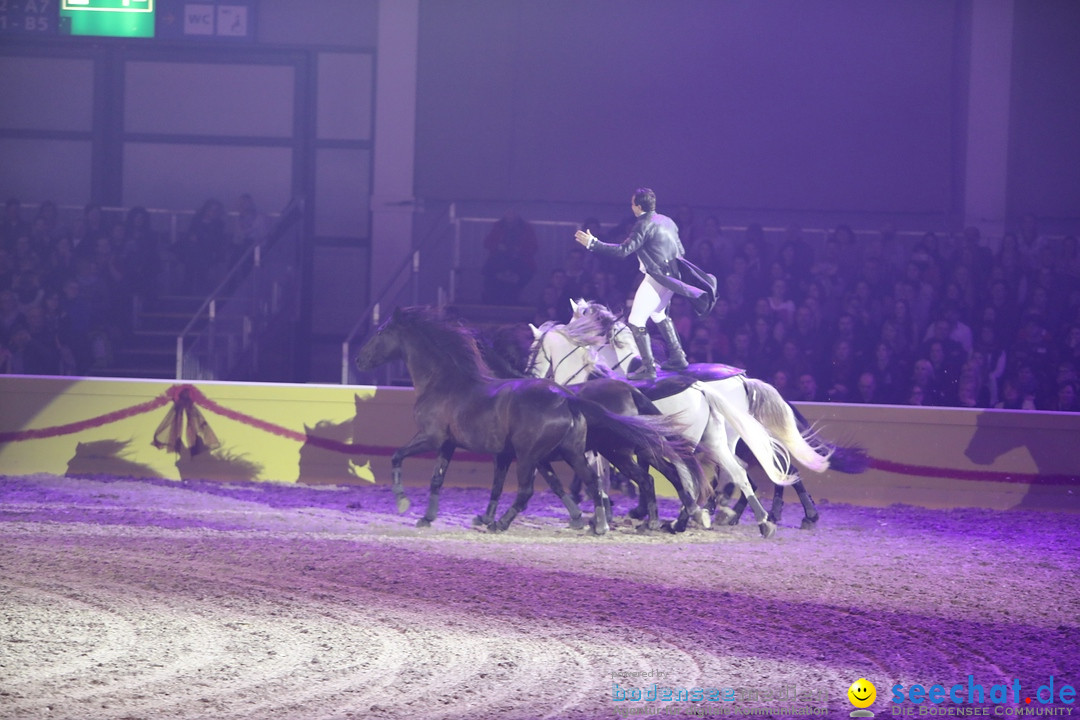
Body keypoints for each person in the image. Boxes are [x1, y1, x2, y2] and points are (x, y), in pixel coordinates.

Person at [574, 188, 714, 379]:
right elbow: (679, 249)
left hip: (657, 276)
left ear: (638, 206)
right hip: (671, 276)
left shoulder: (643, 223)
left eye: (632, 203)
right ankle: (678, 357)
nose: (631, 207)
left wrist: (593, 244)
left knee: (635, 320)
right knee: (658, 314)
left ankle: (648, 368)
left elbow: (623, 251)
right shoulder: (667, 221)